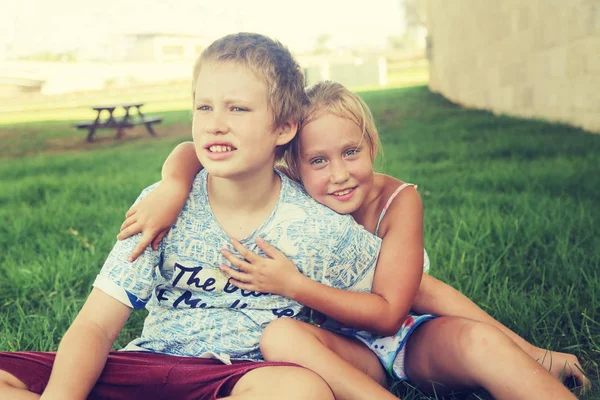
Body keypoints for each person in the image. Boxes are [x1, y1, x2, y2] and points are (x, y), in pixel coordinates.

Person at [121, 81, 590, 400]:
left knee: (477, 340)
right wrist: (172, 186)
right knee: (278, 335)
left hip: (405, 333)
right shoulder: (290, 190)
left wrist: (292, 284)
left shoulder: (397, 199)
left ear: (372, 144)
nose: (340, 174)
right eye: (319, 160)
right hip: (331, 347)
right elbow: (190, 151)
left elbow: (394, 312)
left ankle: (537, 364)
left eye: (351, 152)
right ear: (292, 163)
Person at [0, 33, 400, 400]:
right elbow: (96, 325)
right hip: (148, 364)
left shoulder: (317, 224)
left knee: (301, 390)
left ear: (283, 127)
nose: (215, 124)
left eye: (237, 108)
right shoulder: (160, 205)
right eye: (203, 107)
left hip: (241, 377)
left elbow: (395, 296)